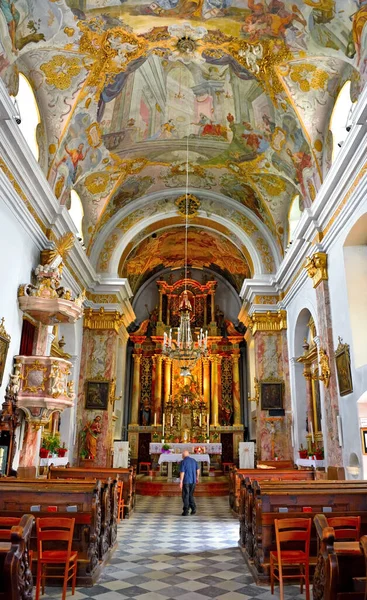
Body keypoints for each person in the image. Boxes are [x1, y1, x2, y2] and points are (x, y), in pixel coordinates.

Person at [179, 450, 200, 516]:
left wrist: (181, 481)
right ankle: (193, 509)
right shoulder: (194, 460)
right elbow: (198, 469)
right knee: (190, 495)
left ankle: (186, 511)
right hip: (193, 481)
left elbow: (182, 472)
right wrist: (197, 477)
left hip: (186, 481)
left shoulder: (183, 462)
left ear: (183, 456)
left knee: (185, 495)